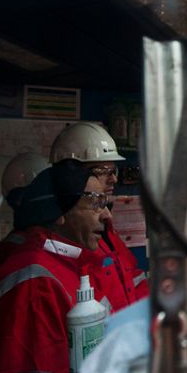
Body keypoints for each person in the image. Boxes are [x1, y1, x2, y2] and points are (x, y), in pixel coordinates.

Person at [0, 159, 124, 373]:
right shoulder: (35, 283)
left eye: (105, 204)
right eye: (95, 203)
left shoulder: (74, 266)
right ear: (58, 212)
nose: (107, 216)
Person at [50, 121, 148, 310]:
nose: (114, 179)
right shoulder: (70, 236)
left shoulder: (106, 231)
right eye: (105, 171)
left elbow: (133, 278)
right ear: (74, 174)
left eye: (114, 171)